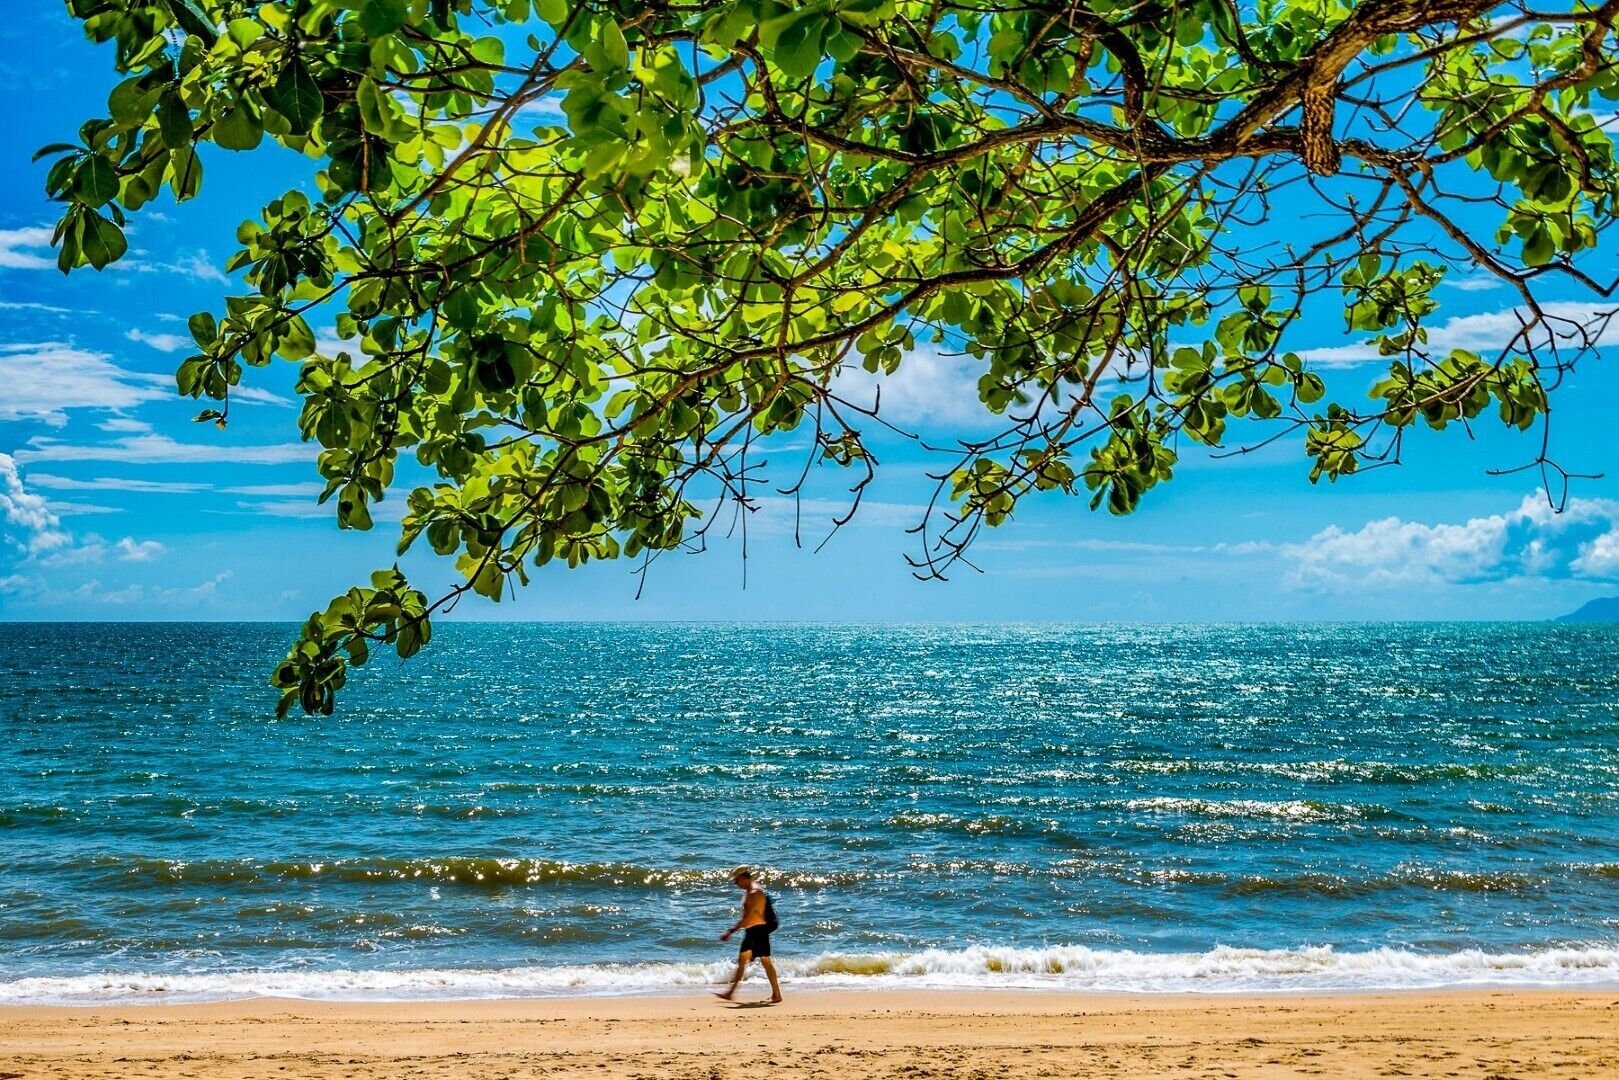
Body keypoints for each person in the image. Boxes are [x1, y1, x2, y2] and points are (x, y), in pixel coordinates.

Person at [716, 866, 782, 1003]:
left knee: (763, 961)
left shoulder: (755, 892)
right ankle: (732, 992)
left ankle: (776, 994)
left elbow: (749, 918)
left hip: (758, 929)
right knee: (747, 960)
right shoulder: (751, 889)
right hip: (754, 929)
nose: (735, 884)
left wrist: (730, 931)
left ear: (744, 878)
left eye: (736, 880)